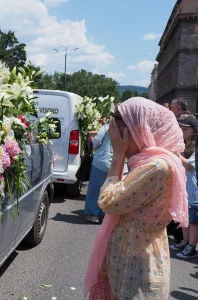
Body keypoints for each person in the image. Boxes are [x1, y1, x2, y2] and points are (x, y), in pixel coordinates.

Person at [84, 97, 188, 299]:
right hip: (132, 258)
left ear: (140, 130)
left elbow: (108, 201)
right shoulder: (154, 161)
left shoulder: (156, 167)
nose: (117, 138)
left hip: (136, 267)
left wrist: (118, 155)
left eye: (121, 132)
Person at [84, 123, 128, 224]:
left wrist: (92, 142)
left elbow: (96, 142)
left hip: (101, 162)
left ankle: (93, 214)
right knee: (111, 189)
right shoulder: (127, 129)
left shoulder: (106, 127)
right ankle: (106, 215)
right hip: (119, 165)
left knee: (95, 189)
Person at [170, 116, 198, 259]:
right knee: (186, 216)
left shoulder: (196, 147)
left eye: (185, 129)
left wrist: (175, 155)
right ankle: (186, 241)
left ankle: (192, 247)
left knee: (193, 220)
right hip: (185, 186)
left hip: (193, 189)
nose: (182, 131)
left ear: (194, 130)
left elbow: (189, 165)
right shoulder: (184, 145)